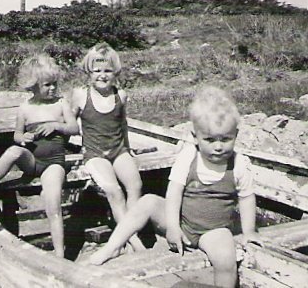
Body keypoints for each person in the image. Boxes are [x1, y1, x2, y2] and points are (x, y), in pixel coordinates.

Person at [89, 86, 260, 288]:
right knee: (148, 201)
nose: (218, 146)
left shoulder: (239, 164)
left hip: (213, 231)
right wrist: (172, 227)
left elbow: (247, 197)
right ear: (195, 136)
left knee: (226, 258)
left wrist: (248, 232)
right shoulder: (189, 156)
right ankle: (113, 246)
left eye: (225, 139)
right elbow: (174, 193)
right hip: (181, 221)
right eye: (210, 139)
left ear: (236, 135)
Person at [0, 53, 79, 258]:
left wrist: (56, 125)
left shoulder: (60, 104)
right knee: (13, 151)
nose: (52, 88)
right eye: (47, 85)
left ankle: (59, 254)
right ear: (33, 85)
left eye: (55, 84)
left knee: (53, 204)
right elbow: (17, 136)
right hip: (33, 160)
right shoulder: (25, 108)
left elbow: (73, 128)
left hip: (54, 162)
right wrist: (23, 137)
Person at [71, 42, 145, 251]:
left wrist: (128, 151)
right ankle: (132, 241)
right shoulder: (81, 95)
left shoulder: (120, 95)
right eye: (97, 71)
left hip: (118, 150)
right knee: (114, 191)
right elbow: (68, 122)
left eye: (107, 71)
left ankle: (131, 232)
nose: (102, 75)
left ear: (115, 73)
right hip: (95, 154)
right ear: (89, 72)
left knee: (135, 185)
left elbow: (123, 125)